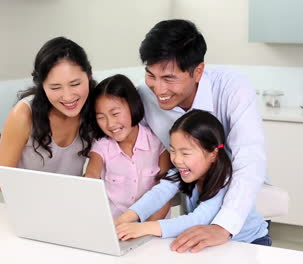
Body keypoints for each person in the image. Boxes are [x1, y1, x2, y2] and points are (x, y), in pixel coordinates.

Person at [137, 19, 267, 252]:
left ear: (198, 71)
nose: (158, 89)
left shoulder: (232, 88)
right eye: (151, 76)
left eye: (169, 78)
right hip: (194, 219)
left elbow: (249, 160)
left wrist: (223, 226)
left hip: (238, 222)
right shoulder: (144, 96)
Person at [115, 110, 270, 247]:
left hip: (250, 244)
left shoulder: (225, 180)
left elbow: (197, 220)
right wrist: (124, 219)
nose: (176, 159)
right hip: (215, 245)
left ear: (213, 154)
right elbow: (158, 193)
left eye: (185, 153)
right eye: (173, 150)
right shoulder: (183, 170)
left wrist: (144, 227)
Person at [0, 36, 95, 187]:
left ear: (88, 76)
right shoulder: (23, 115)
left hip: (71, 205)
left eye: (75, 84)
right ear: (42, 86)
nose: (68, 97)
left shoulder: (96, 109)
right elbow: (1, 179)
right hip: (29, 204)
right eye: (55, 87)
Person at [84, 74, 172, 219]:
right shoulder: (101, 146)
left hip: (152, 228)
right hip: (116, 230)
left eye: (115, 113)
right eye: (101, 117)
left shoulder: (158, 142)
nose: (110, 124)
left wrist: (144, 230)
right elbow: (91, 176)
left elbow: (164, 194)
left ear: (132, 106)